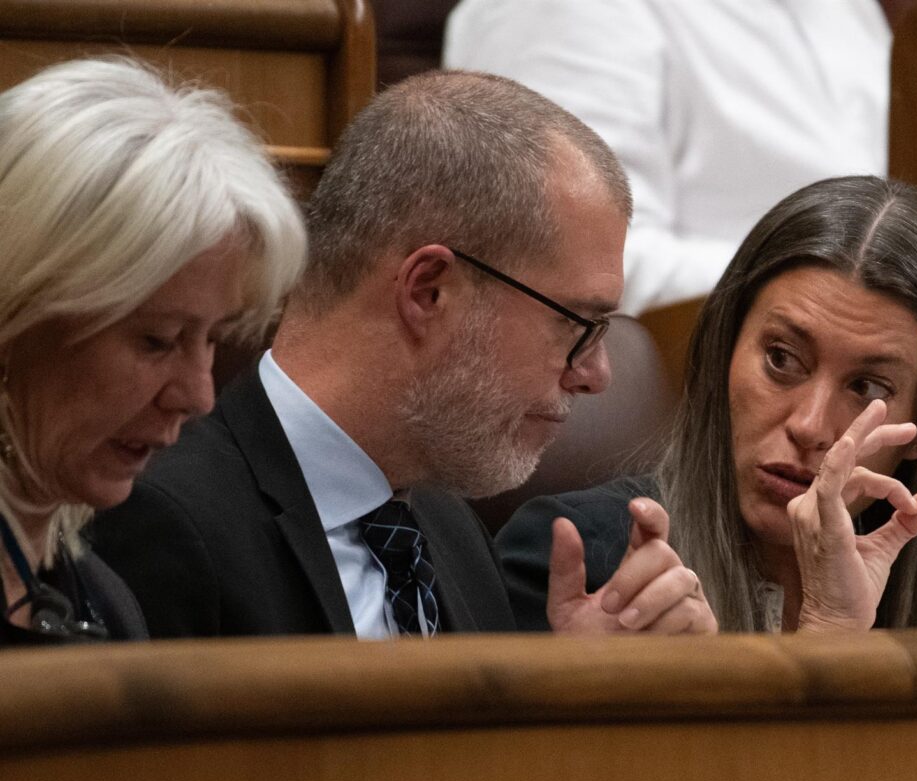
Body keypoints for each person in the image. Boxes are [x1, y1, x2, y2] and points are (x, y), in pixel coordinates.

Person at [92, 70, 717, 639]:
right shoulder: (166, 524)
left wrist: (562, 699)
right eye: (573, 322)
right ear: (429, 291)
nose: (596, 374)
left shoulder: (448, 528)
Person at [498, 175, 917, 632]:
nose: (810, 426)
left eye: (868, 390)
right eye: (781, 359)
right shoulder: (576, 565)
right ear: (724, 350)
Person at [0, 59, 306, 645]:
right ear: (16, 317)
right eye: (156, 340)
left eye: (213, 340)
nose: (197, 395)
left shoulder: (105, 600)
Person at [444, 0, 893, 315]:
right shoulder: (566, 11)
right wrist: (861, 283)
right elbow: (580, 264)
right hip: (699, 393)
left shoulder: (847, 10)